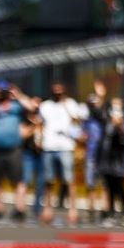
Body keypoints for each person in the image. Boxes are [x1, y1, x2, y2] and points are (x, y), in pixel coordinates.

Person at [0, 81, 35, 221]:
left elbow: (32, 107)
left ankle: (20, 208)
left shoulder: (15, 106)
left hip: (13, 150)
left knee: (18, 180)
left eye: (4, 91)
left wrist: (18, 94)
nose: (2, 94)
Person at [39, 83, 83, 225]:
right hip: (49, 146)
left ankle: (73, 210)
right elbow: (40, 124)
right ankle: (47, 209)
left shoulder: (71, 104)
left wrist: (66, 106)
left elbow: (77, 121)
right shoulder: (45, 106)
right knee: (49, 180)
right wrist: (39, 140)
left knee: (69, 180)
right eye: (55, 91)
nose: (58, 93)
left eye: (60, 91)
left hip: (66, 146)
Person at [98, 98, 124, 225]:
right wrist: (112, 122)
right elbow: (106, 135)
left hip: (120, 159)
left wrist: (120, 124)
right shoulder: (106, 120)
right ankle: (110, 213)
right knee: (109, 187)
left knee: (121, 186)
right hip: (108, 159)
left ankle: (123, 213)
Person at [81, 81, 108, 222]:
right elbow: (82, 136)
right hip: (91, 156)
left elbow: (101, 108)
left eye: (94, 104)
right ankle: (91, 209)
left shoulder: (103, 119)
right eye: (90, 104)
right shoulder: (86, 121)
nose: (93, 106)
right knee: (90, 185)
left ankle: (104, 209)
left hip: (102, 155)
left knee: (104, 185)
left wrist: (100, 95)